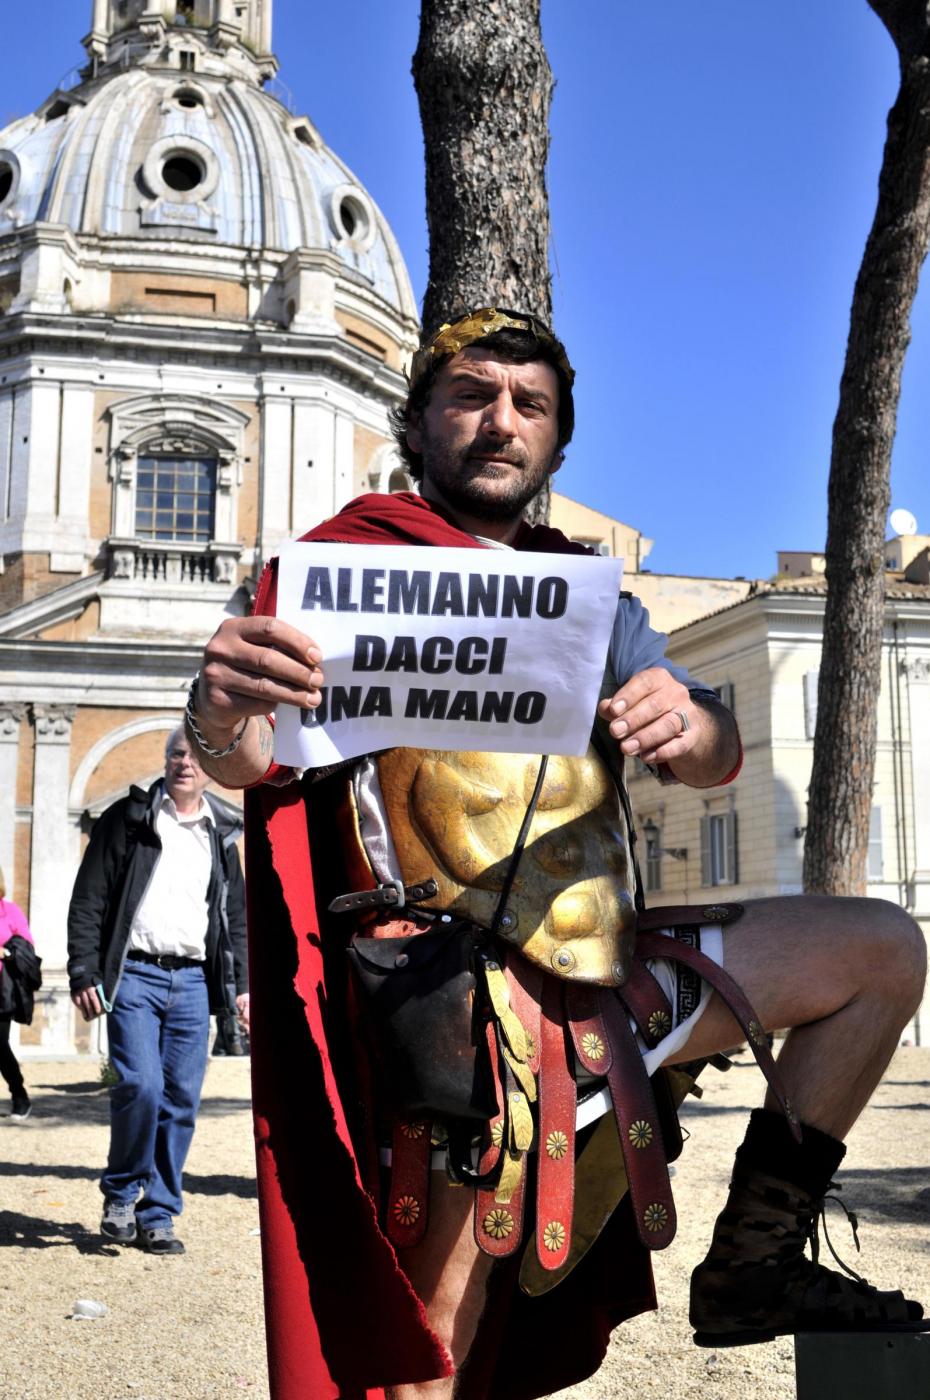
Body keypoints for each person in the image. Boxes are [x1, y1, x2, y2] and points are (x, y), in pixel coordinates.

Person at [185, 308, 927, 1398]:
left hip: (604, 968)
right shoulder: (335, 573)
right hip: (443, 992)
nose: (501, 421)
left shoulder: (588, 596)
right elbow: (253, 763)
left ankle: (755, 1260)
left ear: (558, 442)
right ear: (418, 423)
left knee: (880, 949)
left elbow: (713, 753)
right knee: (437, 1334)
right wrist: (216, 709)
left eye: (529, 405)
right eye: (471, 396)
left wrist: (688, 717)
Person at [67, 727, 249, 1256]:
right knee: (140, 1086)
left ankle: (159, 1212)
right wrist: (83, 970)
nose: (184, 763)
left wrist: (242, 988)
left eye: (194, 756)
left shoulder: (220, 835)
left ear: (211, 769)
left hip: (192, 981)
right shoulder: (128, 821)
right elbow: (89, 898)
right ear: (166, 762)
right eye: (177, 754)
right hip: (134, 975)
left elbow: (234, 919)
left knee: (181, 1100)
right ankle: (122, 1194)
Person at [0, 869, 35, 1121]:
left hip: (2, 990)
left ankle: (19, 1093)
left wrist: (5, 952)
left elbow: (27, 947)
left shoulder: (10, 911)